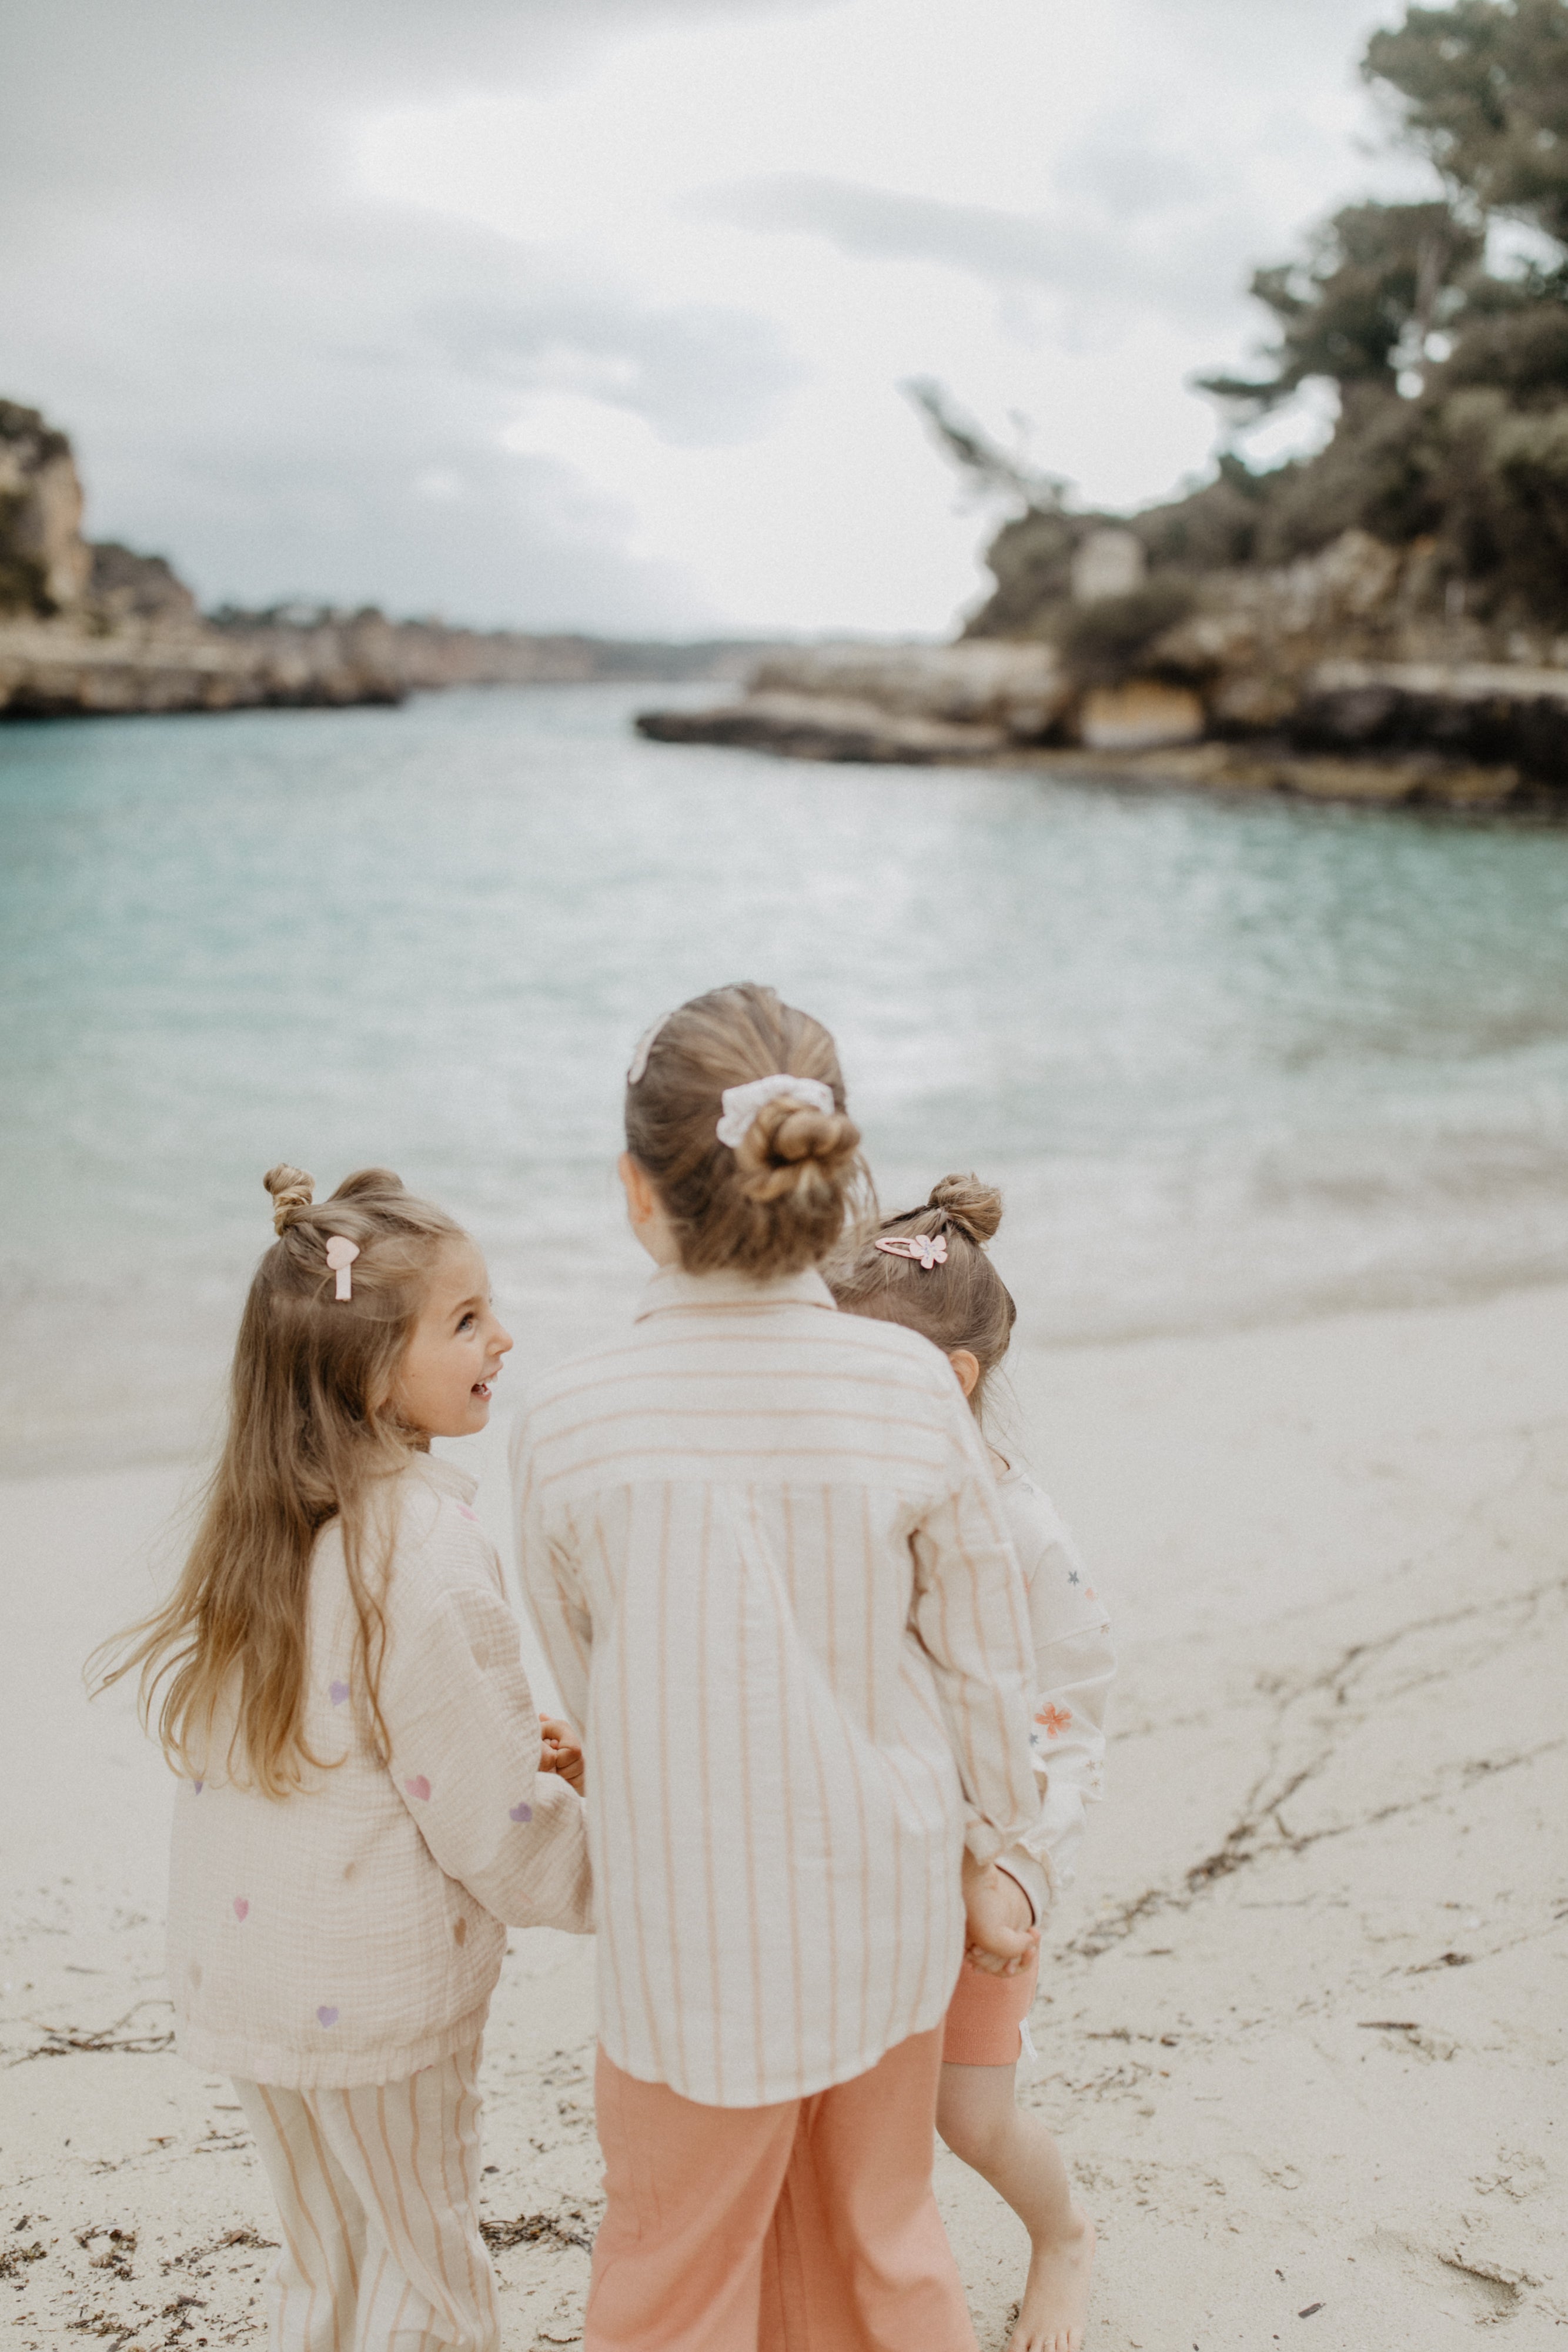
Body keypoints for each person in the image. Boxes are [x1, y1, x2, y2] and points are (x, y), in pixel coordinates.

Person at [511, 983, 1040, 2352]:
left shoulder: (566, 1419)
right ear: (831, 1171)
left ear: (637, 1187)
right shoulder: (910, 1387)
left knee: (671, 2271)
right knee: (878, 2241)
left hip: (685, 1937)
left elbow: (588, 1679)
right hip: (884, 1904)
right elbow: (985, 1666)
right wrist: (1003, 1853)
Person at [93, 1164, 591, 2352]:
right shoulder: (420, 1544)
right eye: (466, 1318)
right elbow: (488, 1826)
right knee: (427, 2274)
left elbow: (345, 1740)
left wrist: (513, 1740)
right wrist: (618, 1868)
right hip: (377, 2001)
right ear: (371, 1371)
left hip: (250, 1982)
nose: (502, 1335)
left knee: (326, 2257)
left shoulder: (260, 1531)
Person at [829, 1176, 1115, 2352]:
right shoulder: (843, 1506)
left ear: (946, 1380)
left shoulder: (1021, 1533)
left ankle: (1062, 2235)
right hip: (867, 1860)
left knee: (969, 2112)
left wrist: (1015, 1868)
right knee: (855, 2103)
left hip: (986, 1870)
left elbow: (1072, 1716)